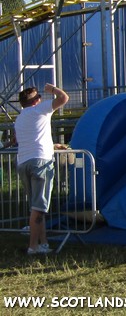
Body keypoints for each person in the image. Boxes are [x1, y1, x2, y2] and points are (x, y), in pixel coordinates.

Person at [14, 83, 70, 256]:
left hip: (24, 162)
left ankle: (43, 243)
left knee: (37, 207)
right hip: (40, 163)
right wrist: (52, 89)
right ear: (36, 101)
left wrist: (53, 145)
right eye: (40, 96)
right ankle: (33, 246)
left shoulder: (20, 118)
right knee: (39, 207)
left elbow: (31, 140)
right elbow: (64, 98)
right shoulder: (40, 110)